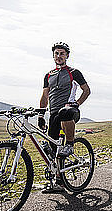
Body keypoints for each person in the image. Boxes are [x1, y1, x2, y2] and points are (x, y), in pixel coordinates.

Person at [38, 41, 91, 192]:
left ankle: (70, 144)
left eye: (62, 53)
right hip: (53, 114)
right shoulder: (48, 75)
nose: (59, 56)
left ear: (67, 55)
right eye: (57, 53)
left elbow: (86, 90)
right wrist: (41, 116)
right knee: (51, 149)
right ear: (53, 56)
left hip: (70, 111)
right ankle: (58, 182)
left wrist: (77, 103)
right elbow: (44, 96)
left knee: (65, 111)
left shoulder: (74, 72)